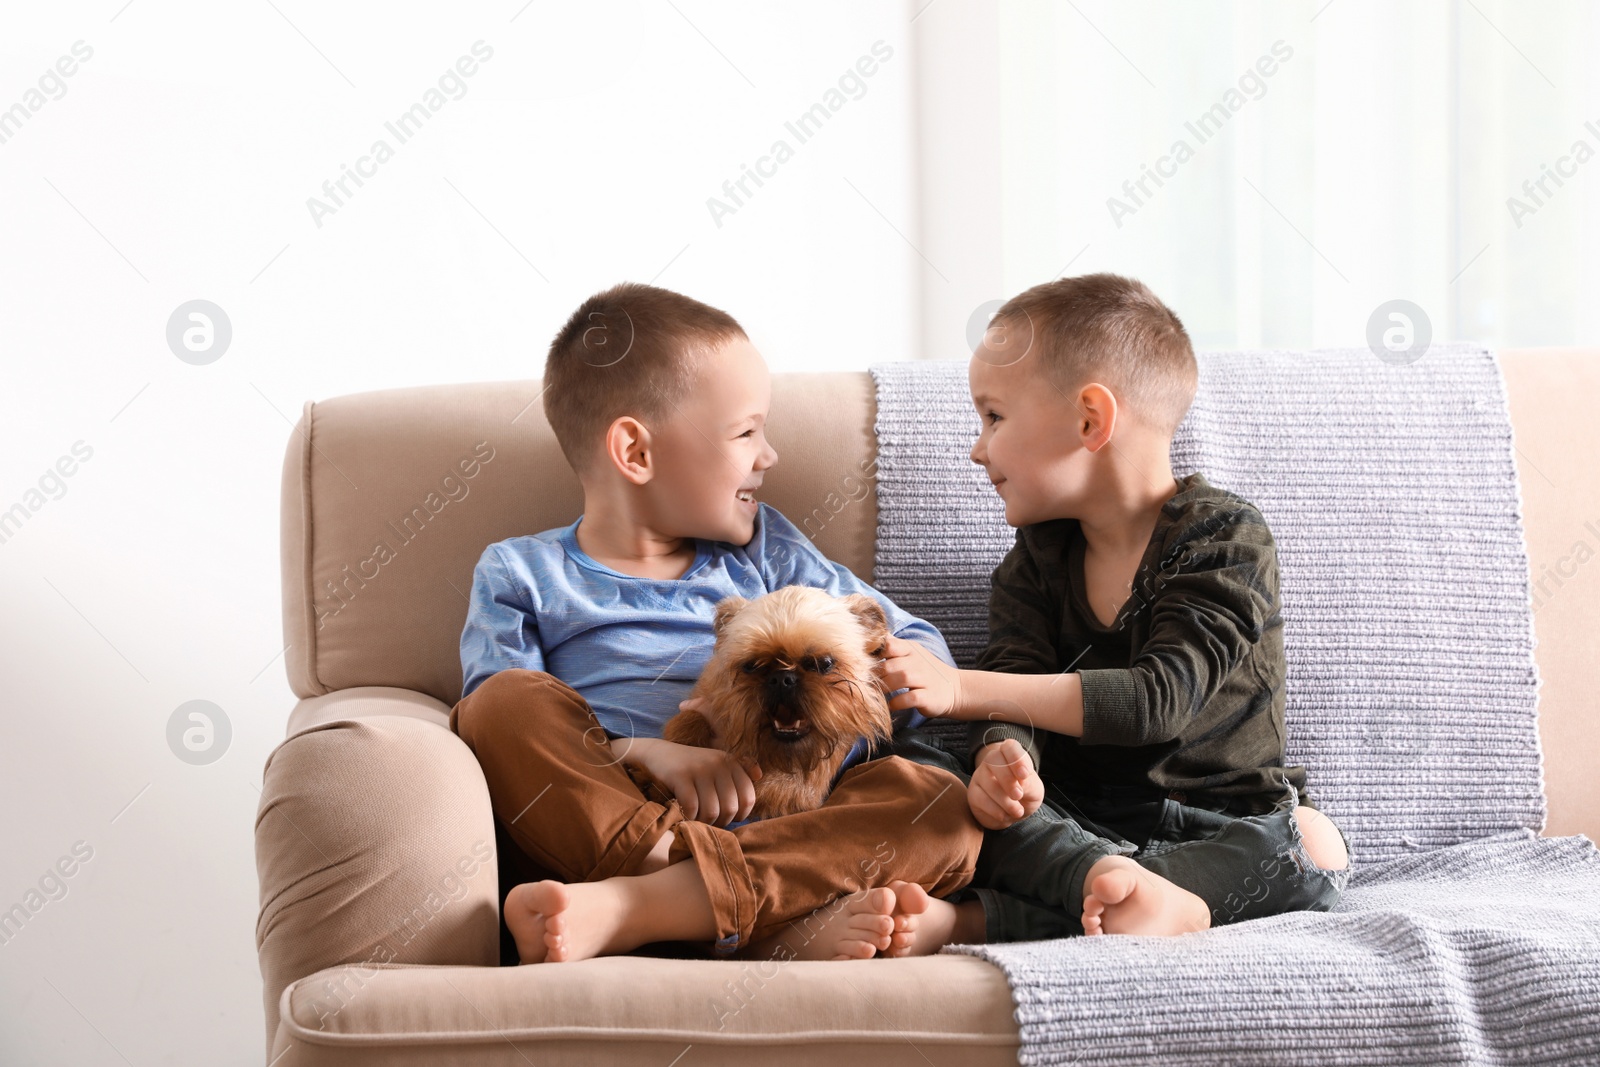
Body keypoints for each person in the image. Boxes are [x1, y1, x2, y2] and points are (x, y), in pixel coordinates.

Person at [449, 281, 982, 965]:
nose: (770, 456)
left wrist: (815, 737)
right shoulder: (522, 572)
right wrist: (635, 751)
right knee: (498, 704)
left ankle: (651, 906)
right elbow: (496, 729)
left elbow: (916, 652)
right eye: (747, 432)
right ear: (636, 452)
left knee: (940, 803)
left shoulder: (765, 548)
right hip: (616, 817)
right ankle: (722, 897)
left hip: (791, 817)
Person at [873, 273, 1353, 951]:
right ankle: (1122, 888)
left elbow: (1157, 700)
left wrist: (960, 689)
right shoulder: (1034, 559)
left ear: (1090, 419)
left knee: (1313, 844)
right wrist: (1001, 758)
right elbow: (1017, 675)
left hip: (1221, 824)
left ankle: (991, 919)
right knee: (930, 778)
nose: (977, 448)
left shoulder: (1224, 538)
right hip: (1075, 823)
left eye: (994, 416)